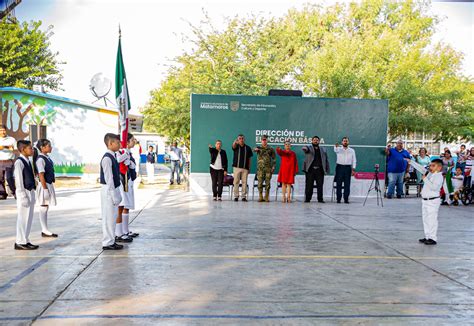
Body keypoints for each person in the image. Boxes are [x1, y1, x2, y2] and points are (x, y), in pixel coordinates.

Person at [100, 133, 123, 250]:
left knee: (112, 216)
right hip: (108, 190)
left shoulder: (113, 156)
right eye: (117, 142)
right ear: (110, 143)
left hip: (112, 188)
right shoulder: (107, 158)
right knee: (108, 216)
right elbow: (109, 179)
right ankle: (107, 242)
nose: (120, 144)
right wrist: (114, 195)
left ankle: (111, 239)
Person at [14, 140, 38, 250]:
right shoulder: (19, 162)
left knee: (28, 217)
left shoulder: (27, 160)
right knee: (23, 217)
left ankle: (25, 239)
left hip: (30, 191)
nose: (32, 150)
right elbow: (18, 180)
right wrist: (22, 195)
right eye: (30, 148)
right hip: (24, 192)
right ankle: (19, 241)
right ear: (23, 149)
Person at [115, 133, 139, 244]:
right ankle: (119, 233)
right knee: (121, 207)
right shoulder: (119, 152)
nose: (134, 141)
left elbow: (132, 165)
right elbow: (119, 160)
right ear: (126, 142)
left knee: (126, 206)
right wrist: (126, 156)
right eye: (132, 140)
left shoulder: (127, 152)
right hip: (121, 181)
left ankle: (125, 231)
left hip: (127, 180)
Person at [34, 139, 58, 238]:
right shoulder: (40, 159)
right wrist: (45, 190)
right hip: (44, 185)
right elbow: (41, 175)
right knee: (43, 207)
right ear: (42, 148)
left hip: (48, 184)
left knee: (45, 207)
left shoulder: (47, 157)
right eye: (49, 146)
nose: (51, 147)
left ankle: (45, 229)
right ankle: (44, 230)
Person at [418, 159, 444, 245]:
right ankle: (427, 236)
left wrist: (425, 179)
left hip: (432, 201)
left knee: (432, 220)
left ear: (439, 167)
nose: (431, 167)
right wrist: (411, 162)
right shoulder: (430, 174)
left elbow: (434, 188)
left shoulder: (439, 176)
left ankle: (433, 238)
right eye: (430, 165)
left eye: (433, 166)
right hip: (425, 200)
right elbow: (421, 168)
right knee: (425, 219)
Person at [302, 136, 330, 203]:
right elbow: (305, 149)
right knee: (309, 185)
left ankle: (320, 199)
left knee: (320, 185)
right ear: (312, 141)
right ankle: (308, 199)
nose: (315, 141)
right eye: (314, 140)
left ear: (319, 141)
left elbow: (326, 160)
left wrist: (327, 169)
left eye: (317, 140)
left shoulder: (323, 149)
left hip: (320, 170)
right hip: (310, 170)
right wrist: (305, 148)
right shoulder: (309, 148)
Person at [334, 137, 356, 204]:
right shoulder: (339, 149)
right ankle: (338, 199)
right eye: (344, 141)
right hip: (339, 167)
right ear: (342, 142)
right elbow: (335, 150)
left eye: (346, 141)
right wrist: (336, 146)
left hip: (348, 168)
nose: (345, 142)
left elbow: (354, 160)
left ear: (348, 142)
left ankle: (346, 199)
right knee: (339, 184)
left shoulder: (352, 150)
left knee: (347, 184)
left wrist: (353, 169)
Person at [254, 135, 276, 202]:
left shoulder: (270, 149)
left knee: (267, 184)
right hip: (260, 169)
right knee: (259, 184)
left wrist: (273, 167)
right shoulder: (258, 148)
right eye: (263, 140)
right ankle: (260, 196)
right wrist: (256, 149)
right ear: (261, 141)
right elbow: (254, 149)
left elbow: (274, 159)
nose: (264, 141)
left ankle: (266, 197)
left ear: (267, 140)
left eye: (265, 140)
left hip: (268, 169)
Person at [232, 134, 253, 202]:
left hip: (245, 168)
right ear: (238, 139)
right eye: (240, 138)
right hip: (236, 167)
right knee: (236, 182)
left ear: (244, 139)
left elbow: (249, 159)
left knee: (244, 182)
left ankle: (243, 197)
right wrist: (235, 142)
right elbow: (233, 146)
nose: (241, 139)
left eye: (242, 138)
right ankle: (236, 196)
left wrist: (249, 168)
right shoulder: (236, 146)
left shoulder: (248, 148)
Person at [0, 125, 16, 199]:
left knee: (9, 178)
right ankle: (3, 193)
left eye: (4, 130)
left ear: (6, 130)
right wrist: (6, 147)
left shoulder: (11, 139)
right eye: (0, 130)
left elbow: (15, 149)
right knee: (0, 178)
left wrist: (5, 147)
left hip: (9, 161)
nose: (2, 132)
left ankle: (15, 192)